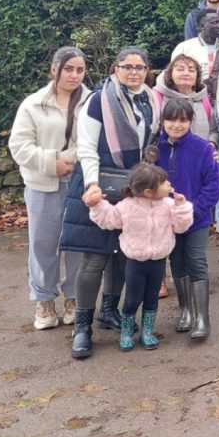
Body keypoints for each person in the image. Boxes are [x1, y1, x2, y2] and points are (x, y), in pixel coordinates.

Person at [59, 46, 162, 360]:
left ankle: (109, 311)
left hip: (132, 188)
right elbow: (87, 148)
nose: (134, 72)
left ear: (147, 70)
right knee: (94, 259)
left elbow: (151, 144)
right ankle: (82, 327)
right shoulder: (97, 99)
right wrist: (92, 185)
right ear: (115, 67)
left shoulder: (152, 100)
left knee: (122, 254)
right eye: (127, 66)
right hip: (98, 183)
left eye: (140, 67)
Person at [9, 47, 89, 331]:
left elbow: (95, 142)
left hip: (80, 183)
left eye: (80, 70)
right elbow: (19, 146)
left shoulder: (90, 102)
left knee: (79, 244)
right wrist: (51, 162)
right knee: (43, 244)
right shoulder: (32, 105)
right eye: (68, 69)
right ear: (54, 69)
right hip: (43, 185)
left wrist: (69, 161)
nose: (74, 75)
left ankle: (74, 298)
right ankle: (44, 299)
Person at [88, 160, 194, 351]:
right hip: (135, 262)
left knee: (152, 298)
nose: (169, 184)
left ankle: (147, 332)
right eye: (164, 183)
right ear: (148, 191)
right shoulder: (127, 206)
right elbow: (109, 219)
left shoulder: (169, 205)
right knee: (132, 299)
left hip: (158, 261)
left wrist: (182, 208)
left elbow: (181, 226)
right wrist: (98, 205)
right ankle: (127, 332)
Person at [155, 99, 219, 339]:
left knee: (196, 261)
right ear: (163, 121)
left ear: (190, 121)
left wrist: (194, 210)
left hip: (196, 218)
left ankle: (203, 318)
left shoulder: (203, 148)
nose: (177, 125)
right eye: (171, 119)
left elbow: (213, 186)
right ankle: (185, 311)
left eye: (183, 120)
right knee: (177, 261)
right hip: (168, 219)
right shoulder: (154, 149)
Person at [172, 10, 219, 238]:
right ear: (201, 25)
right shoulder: (185, 49)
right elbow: (174, 80)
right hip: (194, 114)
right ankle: (190, 215)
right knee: (189, 167)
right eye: (214, 22)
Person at [154, 54, 217, 145]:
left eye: (191, 70)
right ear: (170, 74)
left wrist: (211, 145)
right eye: (180, 69)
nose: (186, 73)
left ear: (197, 76)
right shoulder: (157, 97)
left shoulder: (202, 99)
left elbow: (213, 131)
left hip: (199, 156)